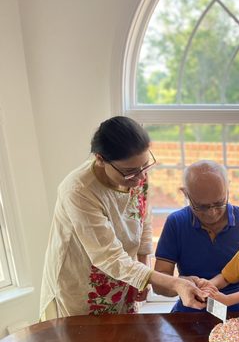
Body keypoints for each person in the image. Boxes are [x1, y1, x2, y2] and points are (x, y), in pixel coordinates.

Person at [40, 116, 207, 319]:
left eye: (145, 166)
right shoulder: (78, 190)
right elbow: (108, 256)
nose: (140, 178)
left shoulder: (137, 172)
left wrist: (144, 265)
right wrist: (173, 282)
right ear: (100, 159)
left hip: (126, 273)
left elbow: (143, 218)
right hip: (83, 281)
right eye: (130, 172)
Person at [153, 160, 239, 312]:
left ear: (228, 187)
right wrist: (181, 284)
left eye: (219, 203)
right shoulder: (176, 222)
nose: (212, 213)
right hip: (192, 307)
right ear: (185, 193)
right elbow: (158, 284)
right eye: (202, 206)